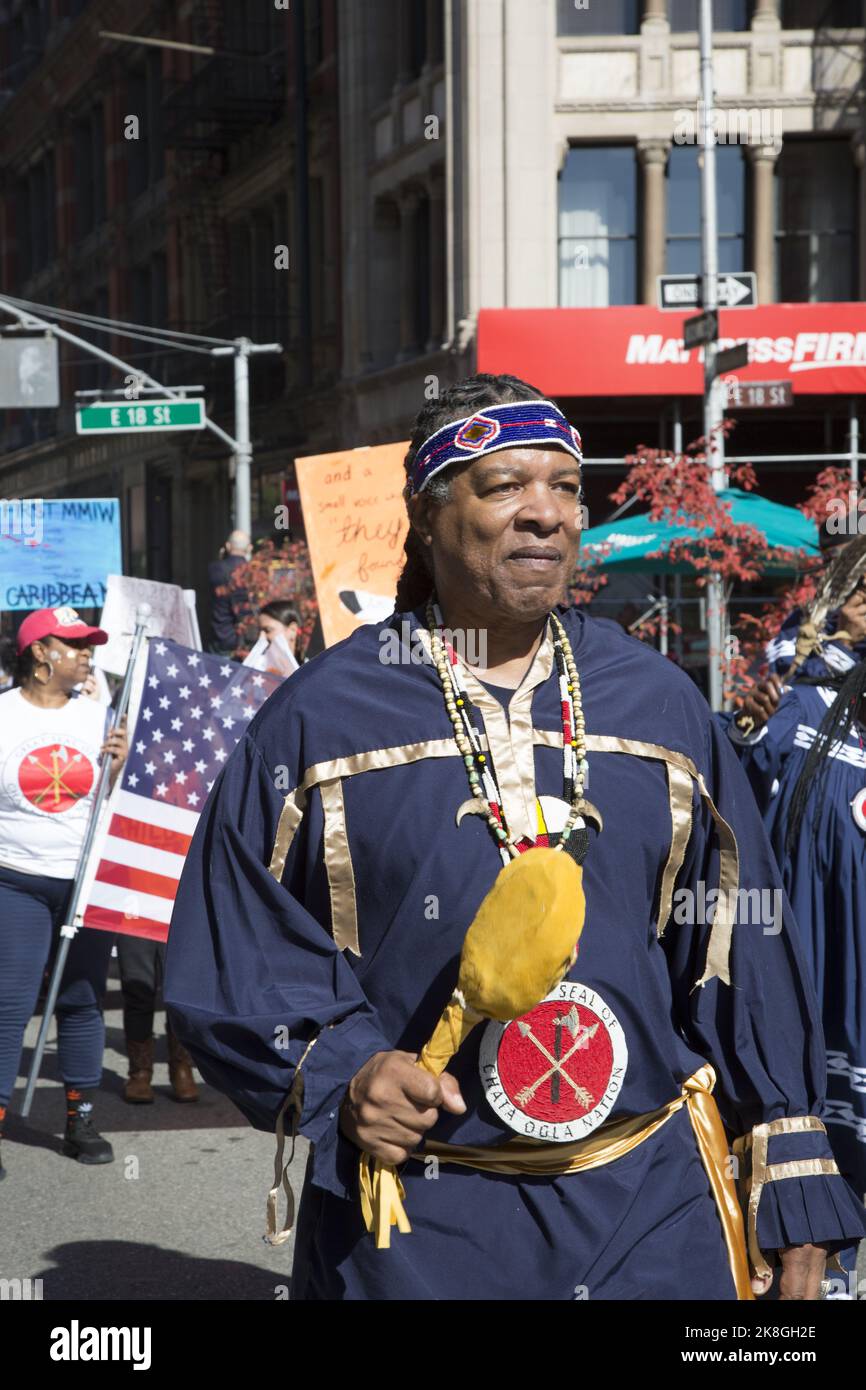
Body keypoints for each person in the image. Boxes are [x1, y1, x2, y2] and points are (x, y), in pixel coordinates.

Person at [165, 374, 866, 1301]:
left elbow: (744, 946)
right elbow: (234, 950)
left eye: (567, 489)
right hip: (419, 1221)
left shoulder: (656, 702)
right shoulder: (319, 721)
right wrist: (342, 1071)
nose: (545, 515)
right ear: (425, 515)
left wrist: (792, 1176)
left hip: (652, 1213)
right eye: (502, 487)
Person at [727, 549, 866, 1209]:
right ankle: (816, 1235)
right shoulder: (798, 687)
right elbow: (738, 792)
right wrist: (751, 725)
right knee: (812, 1100)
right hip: (811, 929)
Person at [0, 606, 128, 1177]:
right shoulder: (2, 715)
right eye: (73, 644)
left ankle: (80, 1118)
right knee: (10, 1002)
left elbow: (123, 805)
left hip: (84, 883)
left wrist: (124, 767)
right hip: (15, 879)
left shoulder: (105, 718)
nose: (86, 654)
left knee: (81, 999)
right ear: (38, 653)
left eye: (89, 645)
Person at [118, 934, 199, 1105]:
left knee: (181, 992)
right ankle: (140, 1072)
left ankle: (182, 1068)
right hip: (135, 914)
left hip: (175, 911)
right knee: (137, 988)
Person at [207, 529, 251, 657]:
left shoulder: (215, 569)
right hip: (245, 640)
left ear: (227, 546)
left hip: (220, 637)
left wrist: (221, 557)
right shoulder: (253, 574)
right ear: (249, 548)